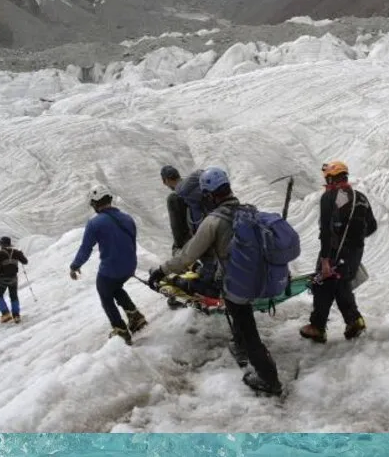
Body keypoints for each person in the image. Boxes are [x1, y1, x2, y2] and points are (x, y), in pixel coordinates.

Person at [149, 167, 283, 396]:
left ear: (209, 195)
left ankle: (269, 380)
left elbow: (186, 257)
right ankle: (240, 346)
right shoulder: (248, 210)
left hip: (235, 284)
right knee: (244, 321)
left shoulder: (212, 222)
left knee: (249, 332)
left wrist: (161, 271)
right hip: (256, 278)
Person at [299, 161, 377, 344]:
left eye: (327, 178)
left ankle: (318, 327)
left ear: (332, 177)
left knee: (323, 284)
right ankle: (354, 321)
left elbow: (326, 231)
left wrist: (325, 259)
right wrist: (353, 239)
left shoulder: (331, 196)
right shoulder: (361, 197)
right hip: (354, 253)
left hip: (334, 252)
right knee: (340, 285)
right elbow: (372, 226)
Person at [69, 185, 147, 345]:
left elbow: (86, 248)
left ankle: (120, 330)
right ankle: (135, 317)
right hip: (130, 266)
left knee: (105, 293)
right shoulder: (127, 218)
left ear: (95, 204)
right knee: (116, 288)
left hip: (111, 268)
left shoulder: (95, 223)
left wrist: (75, 265)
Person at [160, 165, 219, 307]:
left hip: (196, 239)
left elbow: (177, 229)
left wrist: (179, 246)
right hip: (212, 235)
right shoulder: (198, 187)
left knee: (180, 254)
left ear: (166, 181)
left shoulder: (174, 197)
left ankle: (185, 290)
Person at [0, 236, 28, 323]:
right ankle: (16, 316)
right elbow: (25, 262)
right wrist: (21, 254)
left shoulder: (0, 254)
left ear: (2, 245)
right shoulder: (16, 252)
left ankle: (5, 314)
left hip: (3, 278)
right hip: (13, 278)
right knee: (13, 296)